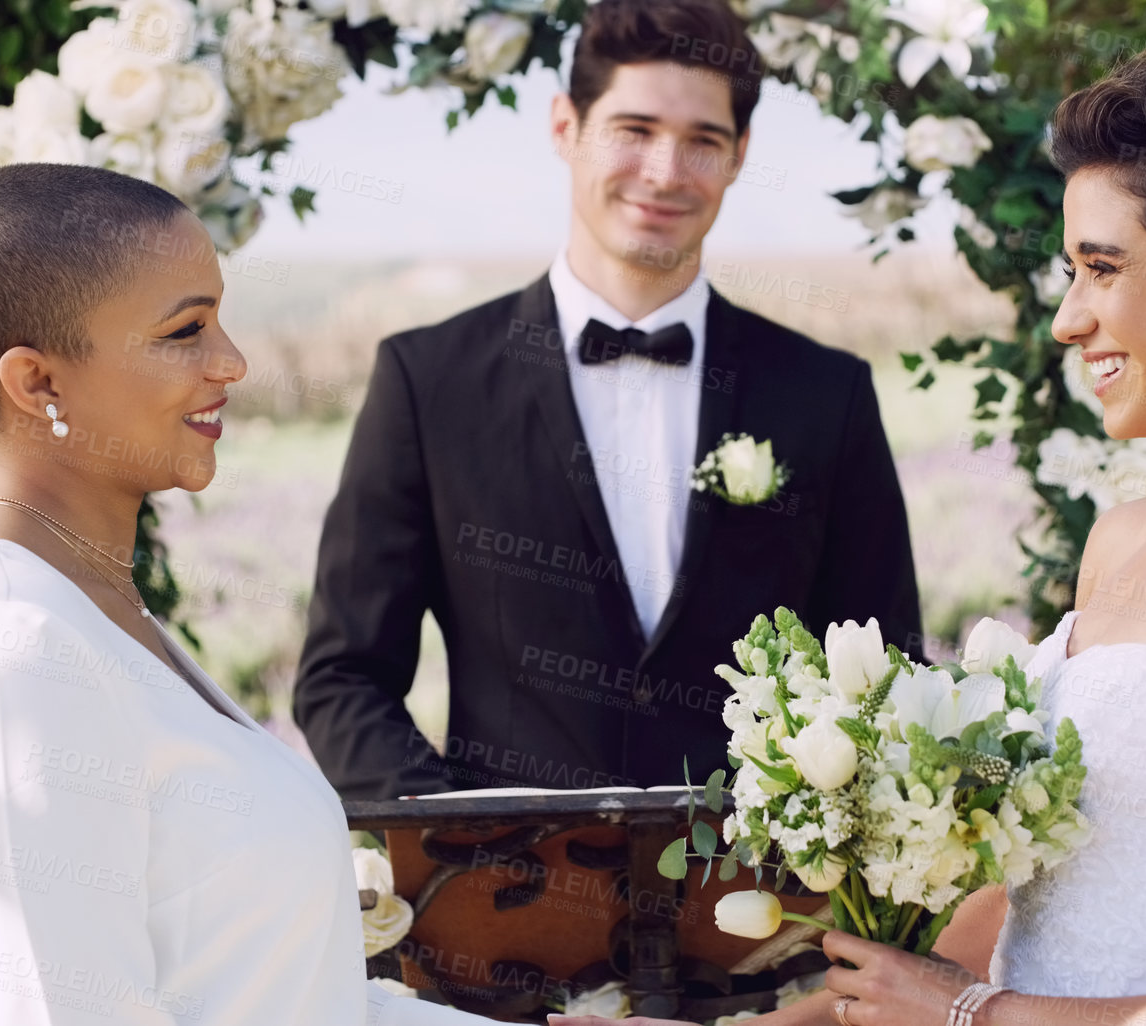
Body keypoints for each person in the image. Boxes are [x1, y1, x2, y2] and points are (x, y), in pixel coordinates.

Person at [553, 36, 1146, 1026]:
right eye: (1071, 270)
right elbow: (1020, 913)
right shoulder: (1126, 539)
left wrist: (975, 1018)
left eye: (1102, 268)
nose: (1068, 318)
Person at [0, 163, 482, 1025]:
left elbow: (293, 997)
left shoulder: (86, 601)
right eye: (185, 330)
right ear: (39, 383)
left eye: (219, 318)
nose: (231, 361)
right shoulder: (9, 649)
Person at [295, 0, 923, 801]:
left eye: (702, 140)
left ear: (739, 157)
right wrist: (460, 838)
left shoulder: (825, 392)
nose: (665, 171)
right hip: (502, 907)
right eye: (634, 129)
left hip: (764, 908)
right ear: (565, 127)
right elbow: (342, 677)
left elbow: (885, 667)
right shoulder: (427, 380)